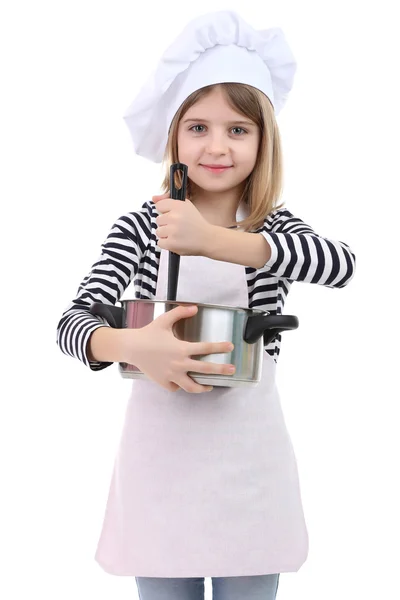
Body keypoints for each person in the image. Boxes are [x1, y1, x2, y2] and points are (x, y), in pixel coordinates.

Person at [56, 9, 356, 600]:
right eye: (198, 127)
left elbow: (340, 264)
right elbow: (72, 323)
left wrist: (214, 241)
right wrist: (129, 343)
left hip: (248, 469)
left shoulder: (273, 226)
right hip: (160, 471)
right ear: (173, 137)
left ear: (264, 141)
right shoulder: (142, 227)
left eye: (238, 130)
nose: (217, 146)